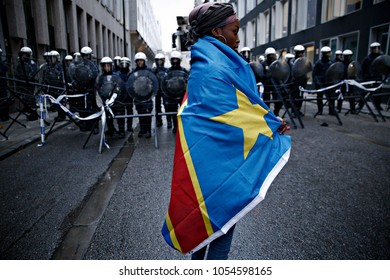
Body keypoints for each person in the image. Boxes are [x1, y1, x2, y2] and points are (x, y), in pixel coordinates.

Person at [162, 2, 289, 260]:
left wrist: (268, 121)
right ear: (218, 32)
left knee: (206, 234)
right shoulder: (215, 67)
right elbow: (230, 114)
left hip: (211, 162)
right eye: (235, 30)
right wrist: (265, 123)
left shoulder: (209, 62)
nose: (238, 37)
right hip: (217, 165)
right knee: (220, 235)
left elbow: (238, 109)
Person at [68, 46, 99, 133]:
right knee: (82, 108)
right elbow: (74, 75)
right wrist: (75, 83)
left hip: (91, 89)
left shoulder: (93, 65)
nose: (86, 57)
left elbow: (95, 74)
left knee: (93, 108)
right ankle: (86, 124)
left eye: (87, 55)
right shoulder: (78, 66)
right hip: (81, 88)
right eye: (84, 55)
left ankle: (95, 126)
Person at [97, 57, 125, 138]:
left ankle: (122, 130)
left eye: (108, 66)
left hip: (117, 100)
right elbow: (98, 88)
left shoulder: (116, 76)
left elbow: (121, 87)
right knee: (108, 115)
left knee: (120, 114)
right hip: (106, 101)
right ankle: (111, 129)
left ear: (111, 66)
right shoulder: (100, 78)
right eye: (104, 66)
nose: (106, 68)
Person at [164, 50, 188, 133]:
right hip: (172, 95)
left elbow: (187, 80)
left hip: (182, 94)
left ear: (179, 60)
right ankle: (176, 126)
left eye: (176, 59)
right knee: (174, 112)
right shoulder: (168, 71)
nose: (174, 61)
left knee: (183, 111)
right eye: (173, 59)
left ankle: (183, 126)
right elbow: (165, 82)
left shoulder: (184, 70)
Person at [132, 52, 153, 139]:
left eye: (141, 60)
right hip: (138, 97)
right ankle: (142, 129)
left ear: (144, 61)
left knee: (147, 114)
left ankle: (148, 130)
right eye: (138, 61)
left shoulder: (149, 71)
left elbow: (153, 82)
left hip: (147, 96)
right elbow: (130, 84)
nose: (140, 62)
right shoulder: (134, 72)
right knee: (140, 113)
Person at [15, 46, 39, 121]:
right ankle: (29, 112)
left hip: (29, 84)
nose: (23, 56)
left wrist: (25, 79)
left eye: (25, 54)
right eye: (22, 54)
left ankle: (33, 114)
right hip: (22, 84)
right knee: (25, 99)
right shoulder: (20, 63)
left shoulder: (31, 63)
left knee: (30, 98)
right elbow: (17, 73)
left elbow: (32, 74)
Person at [41, 50, 67, 121]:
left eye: (51, 58)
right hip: (51, 86)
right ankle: (60, 114)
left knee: (60, 101)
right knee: (55, 101)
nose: (49, 59)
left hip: (58, 86)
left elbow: (60, 77)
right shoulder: (49, 66)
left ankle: (62, 115)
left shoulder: (59, 66)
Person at [361, 42, 383, 110]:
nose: (376, 50)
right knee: (365, 92)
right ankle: (360, 105)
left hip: (378, 77)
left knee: (378, 92)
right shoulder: (368, 59)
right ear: (372, 49)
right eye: (375, 48)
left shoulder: (381, 58)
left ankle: (377, 105)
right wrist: (365, 77)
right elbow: (363, 68)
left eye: (378, 48)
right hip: (369, 78)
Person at [312, 46, 333, 115]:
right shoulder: (318, 63)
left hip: (329, 83)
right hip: (320, 83)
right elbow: (314, 73)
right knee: (319, 97)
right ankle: (320, 110)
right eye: (328, 53)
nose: (329, 54)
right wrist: (316, 82)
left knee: (331, 97)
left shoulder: (331, 63)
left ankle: (331, 110)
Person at [261, 47, 282, 116]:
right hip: (267, 84)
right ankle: (268, 114)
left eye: (273, 55)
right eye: (270, 55)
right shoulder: (264, 64)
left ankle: (276, 113)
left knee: (278, 99)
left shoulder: (277, 63)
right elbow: (261, 73)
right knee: (266, 100)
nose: (272, 57)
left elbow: (280, 72)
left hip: (276, 84)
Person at [115, 56, 133, 132]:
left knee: (129, 112)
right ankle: (121, 129)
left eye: (126, 64)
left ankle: (129, 127)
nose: (124, 66)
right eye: (122, 64)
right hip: (120, 96)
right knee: (120, 113)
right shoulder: (117, 75)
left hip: (129, 96)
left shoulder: (131, 74)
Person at [336, 49, 356, 114]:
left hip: (350, 81)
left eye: (349, 56)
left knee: (351, 95)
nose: (347, 57)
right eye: (346, 56)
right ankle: (338, 108)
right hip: (343, 81)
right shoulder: (341, 64)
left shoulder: (353, 63)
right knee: (341, 95)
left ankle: (352, 109)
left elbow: (355, 72)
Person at [153, 53, 168, 127]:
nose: (159, 62)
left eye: (160, 60)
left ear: (163, 61)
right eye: (157, 60)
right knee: (157, 106)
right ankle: (159, 120)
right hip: (157, 90)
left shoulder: (166, 70)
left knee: (167, 105)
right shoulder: (154, 70)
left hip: (165, 89)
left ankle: (169, 121)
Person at [0, 48, 9, 121]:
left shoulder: (2, 64)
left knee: (4, 100)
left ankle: (5, 116)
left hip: (2, 85)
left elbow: (5, 69)